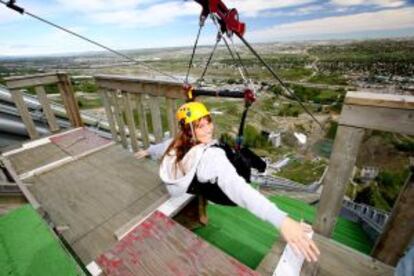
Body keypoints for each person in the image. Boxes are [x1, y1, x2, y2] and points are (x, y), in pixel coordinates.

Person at [136, 101, 320, 262]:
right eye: (200, 126)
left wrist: (148, 151)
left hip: (192, 188)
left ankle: (258, 166)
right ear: (190, 131)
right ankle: (262, 167)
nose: (208, 129)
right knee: (240, 154)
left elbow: (165, 146)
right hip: (222, 194)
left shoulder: (178, 146)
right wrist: (282, 220)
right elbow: (237, 188)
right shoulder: (211, 157)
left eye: (208, 122)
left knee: (232, 150)